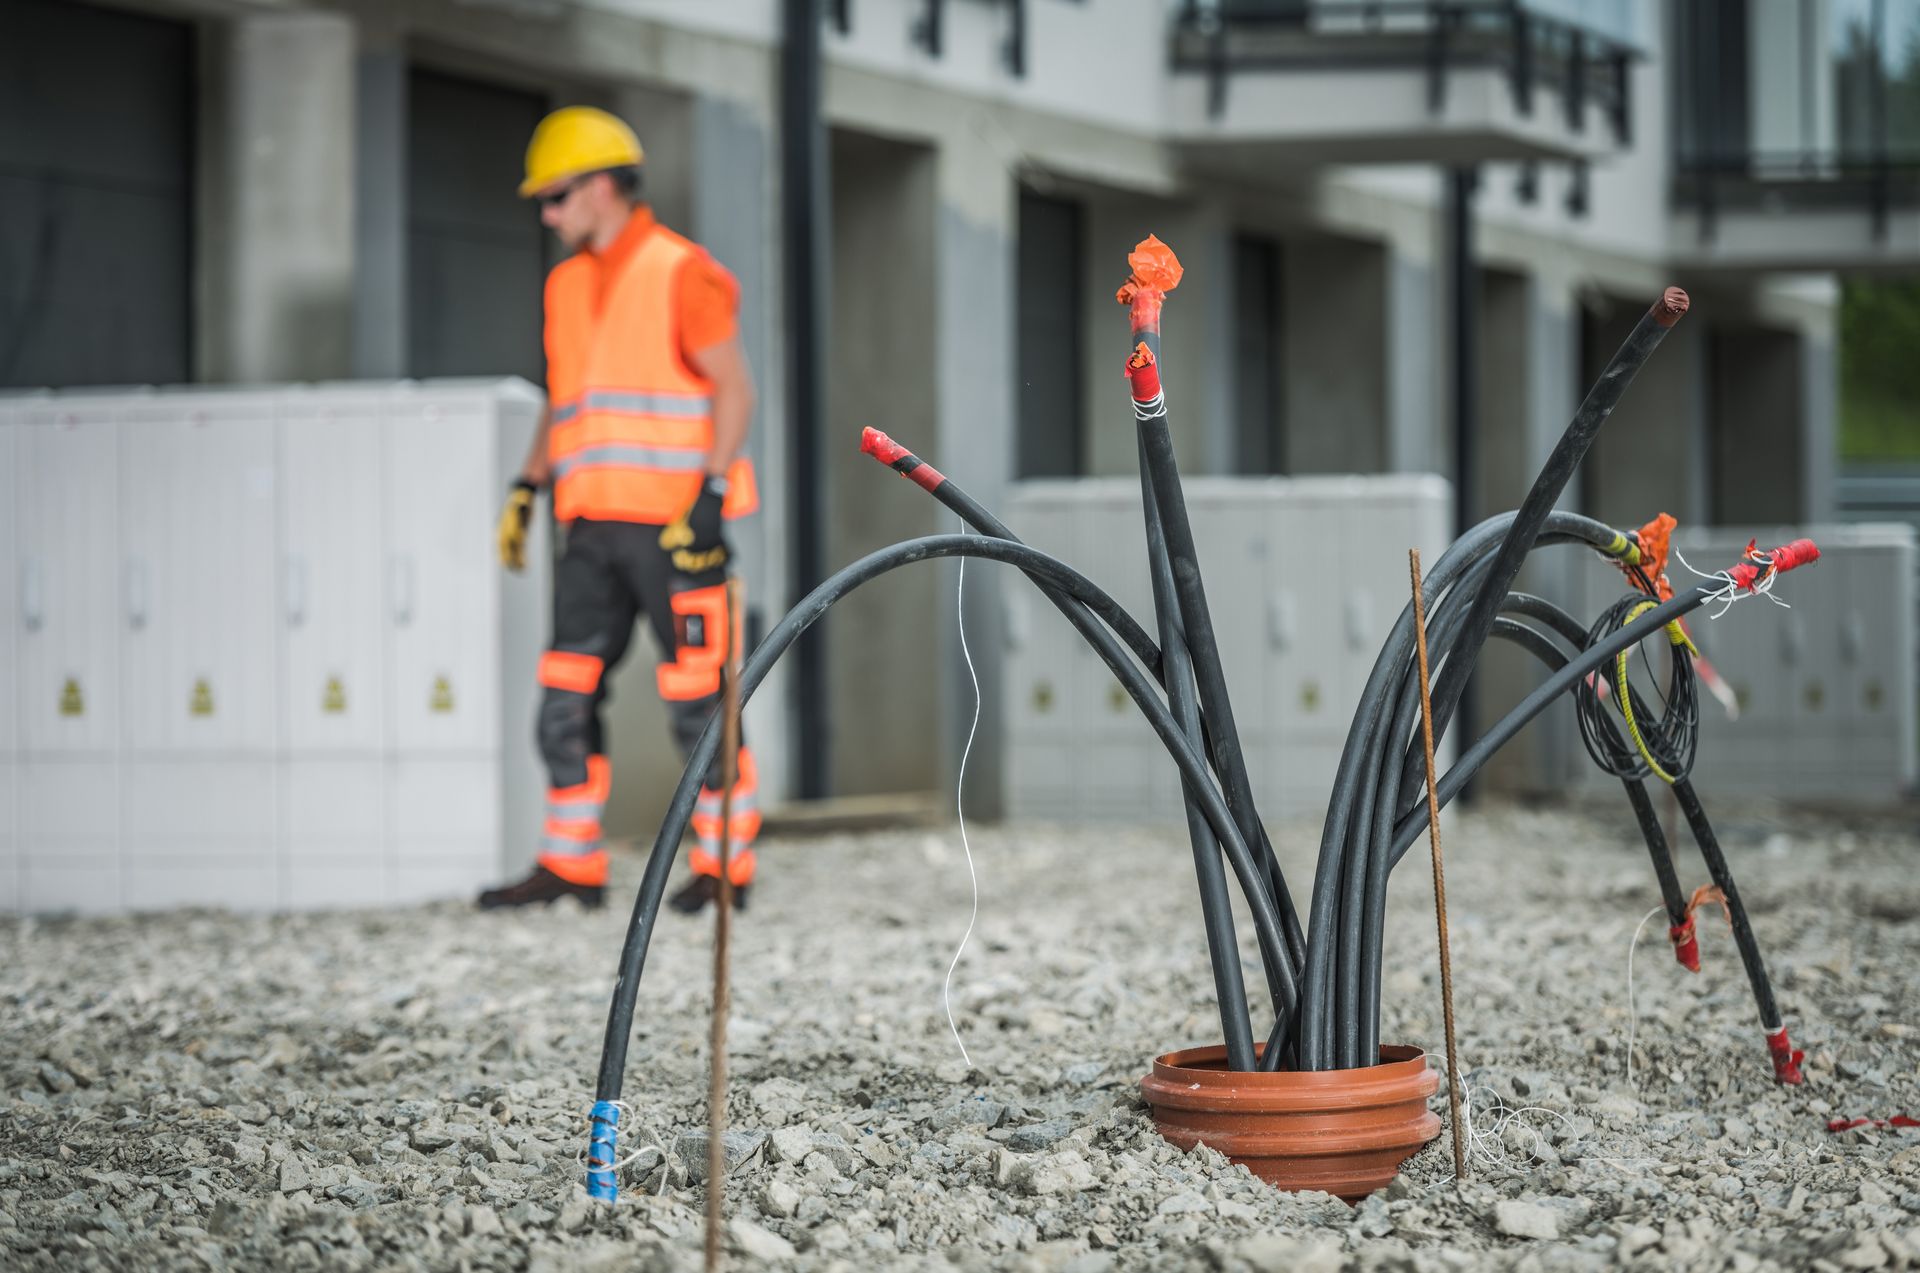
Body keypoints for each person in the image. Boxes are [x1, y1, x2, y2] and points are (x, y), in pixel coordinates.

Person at [478, 106, 760, 914]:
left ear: (603, 188)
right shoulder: (565, 284)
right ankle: (571, 864)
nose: (548, 213)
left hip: (677, 533)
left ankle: (725, 865)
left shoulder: (682, 270)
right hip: (591, 529)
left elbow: (735, 389)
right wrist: (527, 487)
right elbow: (567, 402)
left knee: (699, 704)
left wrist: (709, 493)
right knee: (563, 698)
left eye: (558, 196)